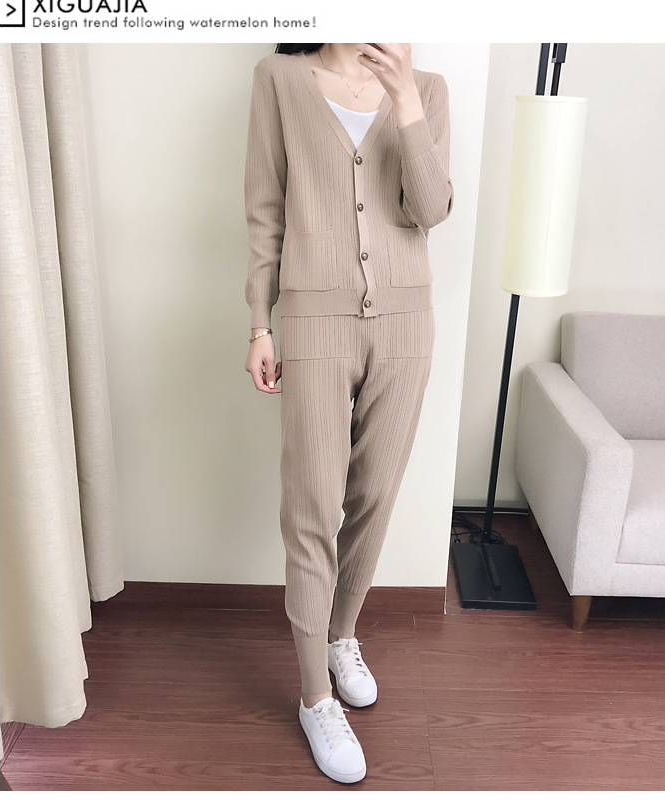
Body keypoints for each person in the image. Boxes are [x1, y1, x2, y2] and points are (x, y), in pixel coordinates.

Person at [243, 42, 452, 784]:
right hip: (313, 322)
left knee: (375, 495)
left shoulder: (428, 88)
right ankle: (314, 696)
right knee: (311, 505)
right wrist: (260, 322)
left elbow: (430, 210)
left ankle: (340, 634)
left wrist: (407, 102)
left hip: (405, 325)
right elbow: (265, 208)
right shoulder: (279, 79)